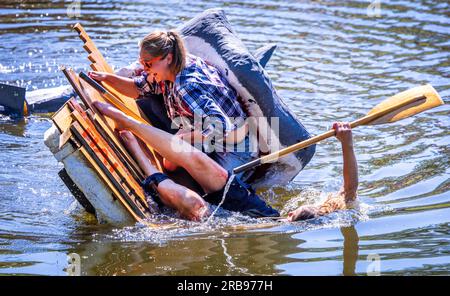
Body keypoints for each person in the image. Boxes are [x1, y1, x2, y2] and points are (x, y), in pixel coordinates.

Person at [88, 30, 256, 183]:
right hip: (205, 129)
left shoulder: (186, 87)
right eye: (142, 63)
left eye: (148, 64)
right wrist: (107, 78)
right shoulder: (171, 68)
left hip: (236, 146)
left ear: (168, 58)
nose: (145, 70)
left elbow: (220, 127)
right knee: (170, 164)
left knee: (217, 195)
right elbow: (138, 88)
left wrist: (182, 139)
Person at [287, 122, 358, 221]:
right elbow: (349, 189)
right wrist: (347, 143)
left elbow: (350, 189)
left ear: (289, 215)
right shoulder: (334, 206)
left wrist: (346, 142)